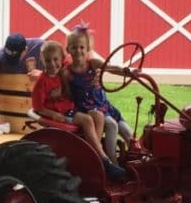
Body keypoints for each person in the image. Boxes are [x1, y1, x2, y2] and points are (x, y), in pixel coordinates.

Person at [32, 40, 126, 180]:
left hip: (72, 109)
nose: (52, 64)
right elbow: (38, 107)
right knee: (87, 120)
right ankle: (102, 159)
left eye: (55, 59)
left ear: (62, 59)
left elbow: (83, 61)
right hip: (61, 115)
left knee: (98, 116)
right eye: (47, 60)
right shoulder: (42, 82)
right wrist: (54, 114)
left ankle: (95, 153)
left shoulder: (64, 70)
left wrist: (98, 71)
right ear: (42, 60)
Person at [64, 28, 134, 158]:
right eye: (74, 47)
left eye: (81, 47)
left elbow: (112, 68)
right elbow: (68, 95)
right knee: (112, 125)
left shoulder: (93, 64)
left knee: (128, 133)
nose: (78, 50)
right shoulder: (67, 72)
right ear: (68, 49)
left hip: (104, 106)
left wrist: (127, 72)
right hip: (87, 109)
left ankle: (137, 161)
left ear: (87, 48)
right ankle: (111, 161)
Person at [0, 32, 46, 133]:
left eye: (14, 59)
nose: (10, 63)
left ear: (25, 50)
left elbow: (62, 70)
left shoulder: (41, 47)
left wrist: (43, 75)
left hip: (36, 110)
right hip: (9, 112)